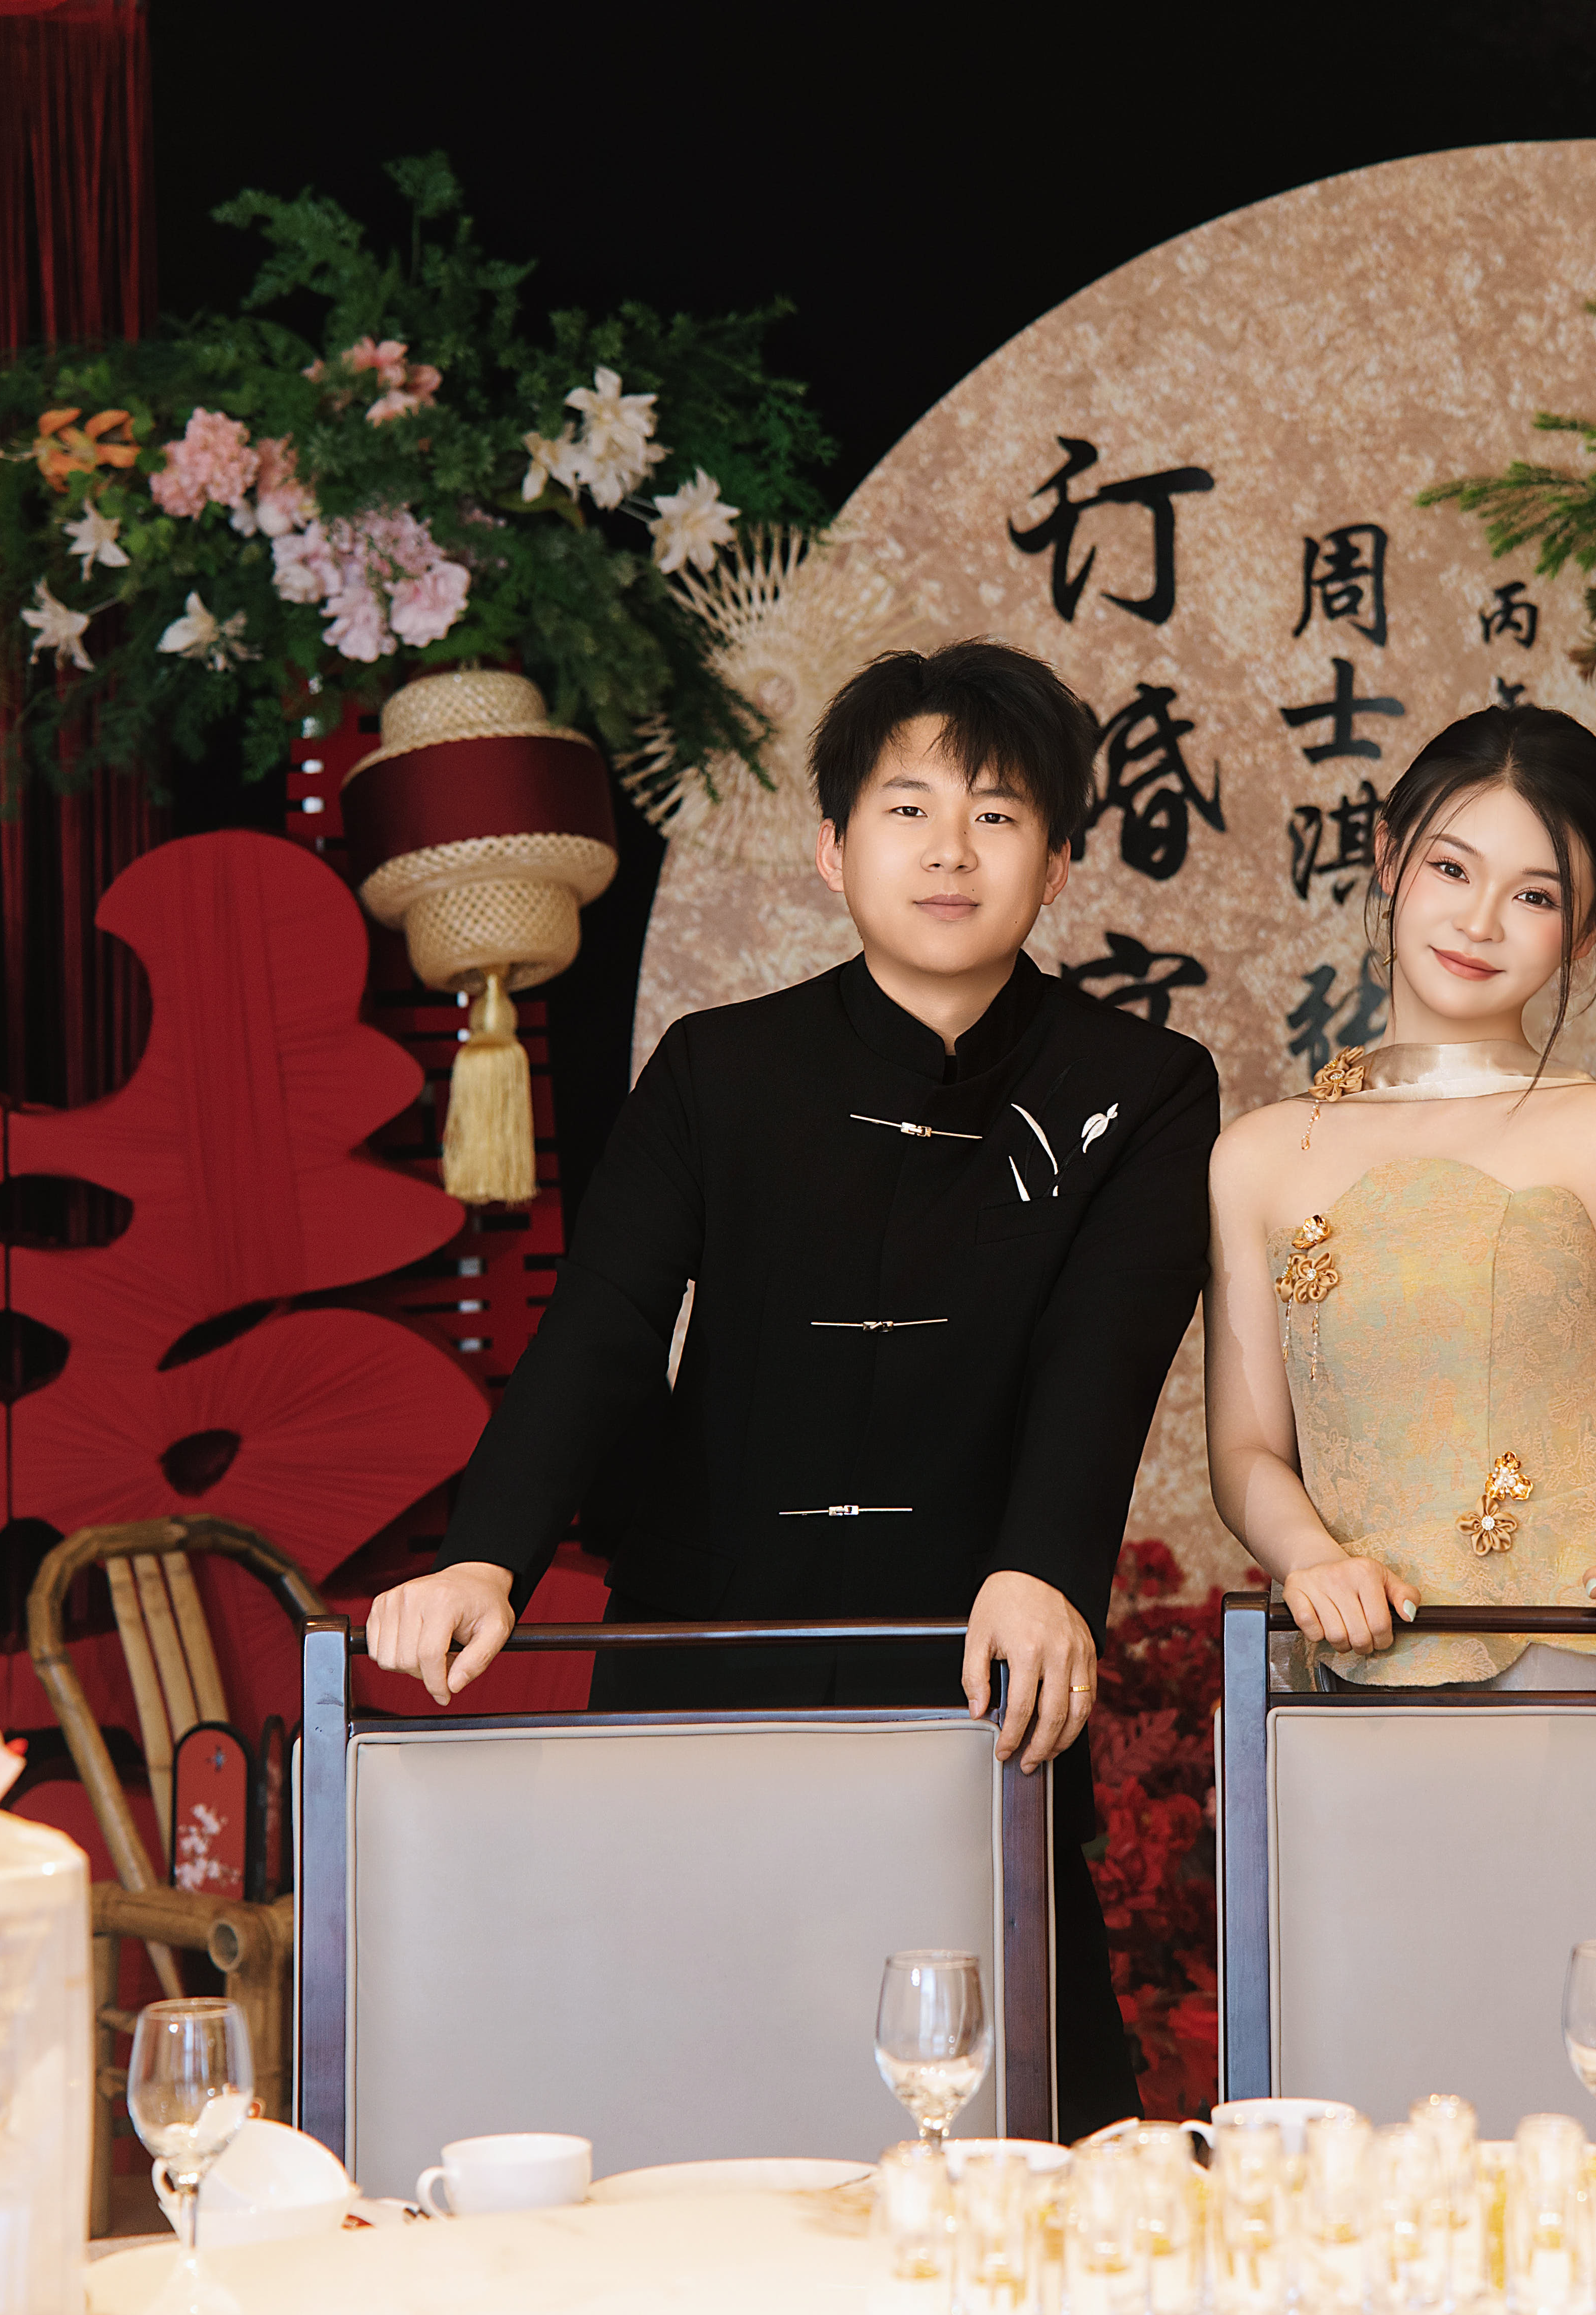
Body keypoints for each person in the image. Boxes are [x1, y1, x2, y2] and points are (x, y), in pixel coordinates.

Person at [366, 639, 1223, 2133]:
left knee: (1015, 2115)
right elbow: (603, 1326)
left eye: (998, 816)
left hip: (971, 1662)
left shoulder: (1140, 1088)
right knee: (690, 2103)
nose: (950, 851)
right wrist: (485, 1556)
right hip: (713, 1645)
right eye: (908, 811)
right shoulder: (719, 1069)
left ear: (1056, 864)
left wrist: (1045, 1571)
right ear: (833, 850)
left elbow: (1106, 1353)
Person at [1202, 705, 1596, 1690]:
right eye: (1451, 869)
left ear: (1588, 931)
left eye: (1536, 896)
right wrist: (1309, 1558)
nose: (1479, 923)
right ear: (1389, 857)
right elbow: (1246, 1449)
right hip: (1367, 1655)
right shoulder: (1257, 1156)